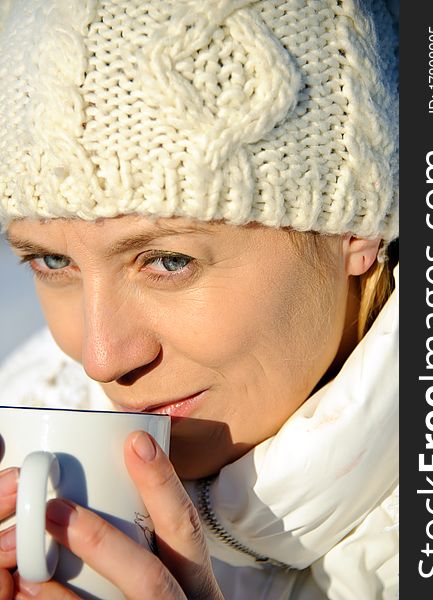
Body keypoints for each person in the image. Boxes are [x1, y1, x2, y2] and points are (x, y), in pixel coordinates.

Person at [0, 0, 399, 598]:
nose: (101, 359)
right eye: (53, 262)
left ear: (355, 229)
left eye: (168, 261)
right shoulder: (30, 408)